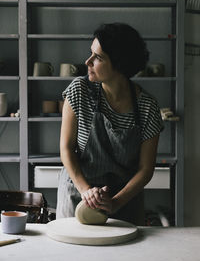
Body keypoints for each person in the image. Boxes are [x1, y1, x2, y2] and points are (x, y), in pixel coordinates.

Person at [56, 23, 163, 224]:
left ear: (120, 65)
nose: (88, 61)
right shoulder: (79, 91)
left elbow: (145, 169)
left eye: (98, 57)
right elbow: (66, 148)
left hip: (124, 201)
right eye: (91, 54)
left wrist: (115, 202)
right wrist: (86, 191)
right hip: (78, 194)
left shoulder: (147, 107)